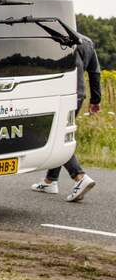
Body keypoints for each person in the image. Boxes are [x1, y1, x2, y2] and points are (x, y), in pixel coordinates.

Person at [31, 33, 103, 202]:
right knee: (61, 134)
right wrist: (95, 100)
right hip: (78, 95)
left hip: (61, 95)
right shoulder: (87, 42)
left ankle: (79, 176)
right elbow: (95, 73)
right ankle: (50, 181)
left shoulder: (59, 40)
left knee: (55, 137)